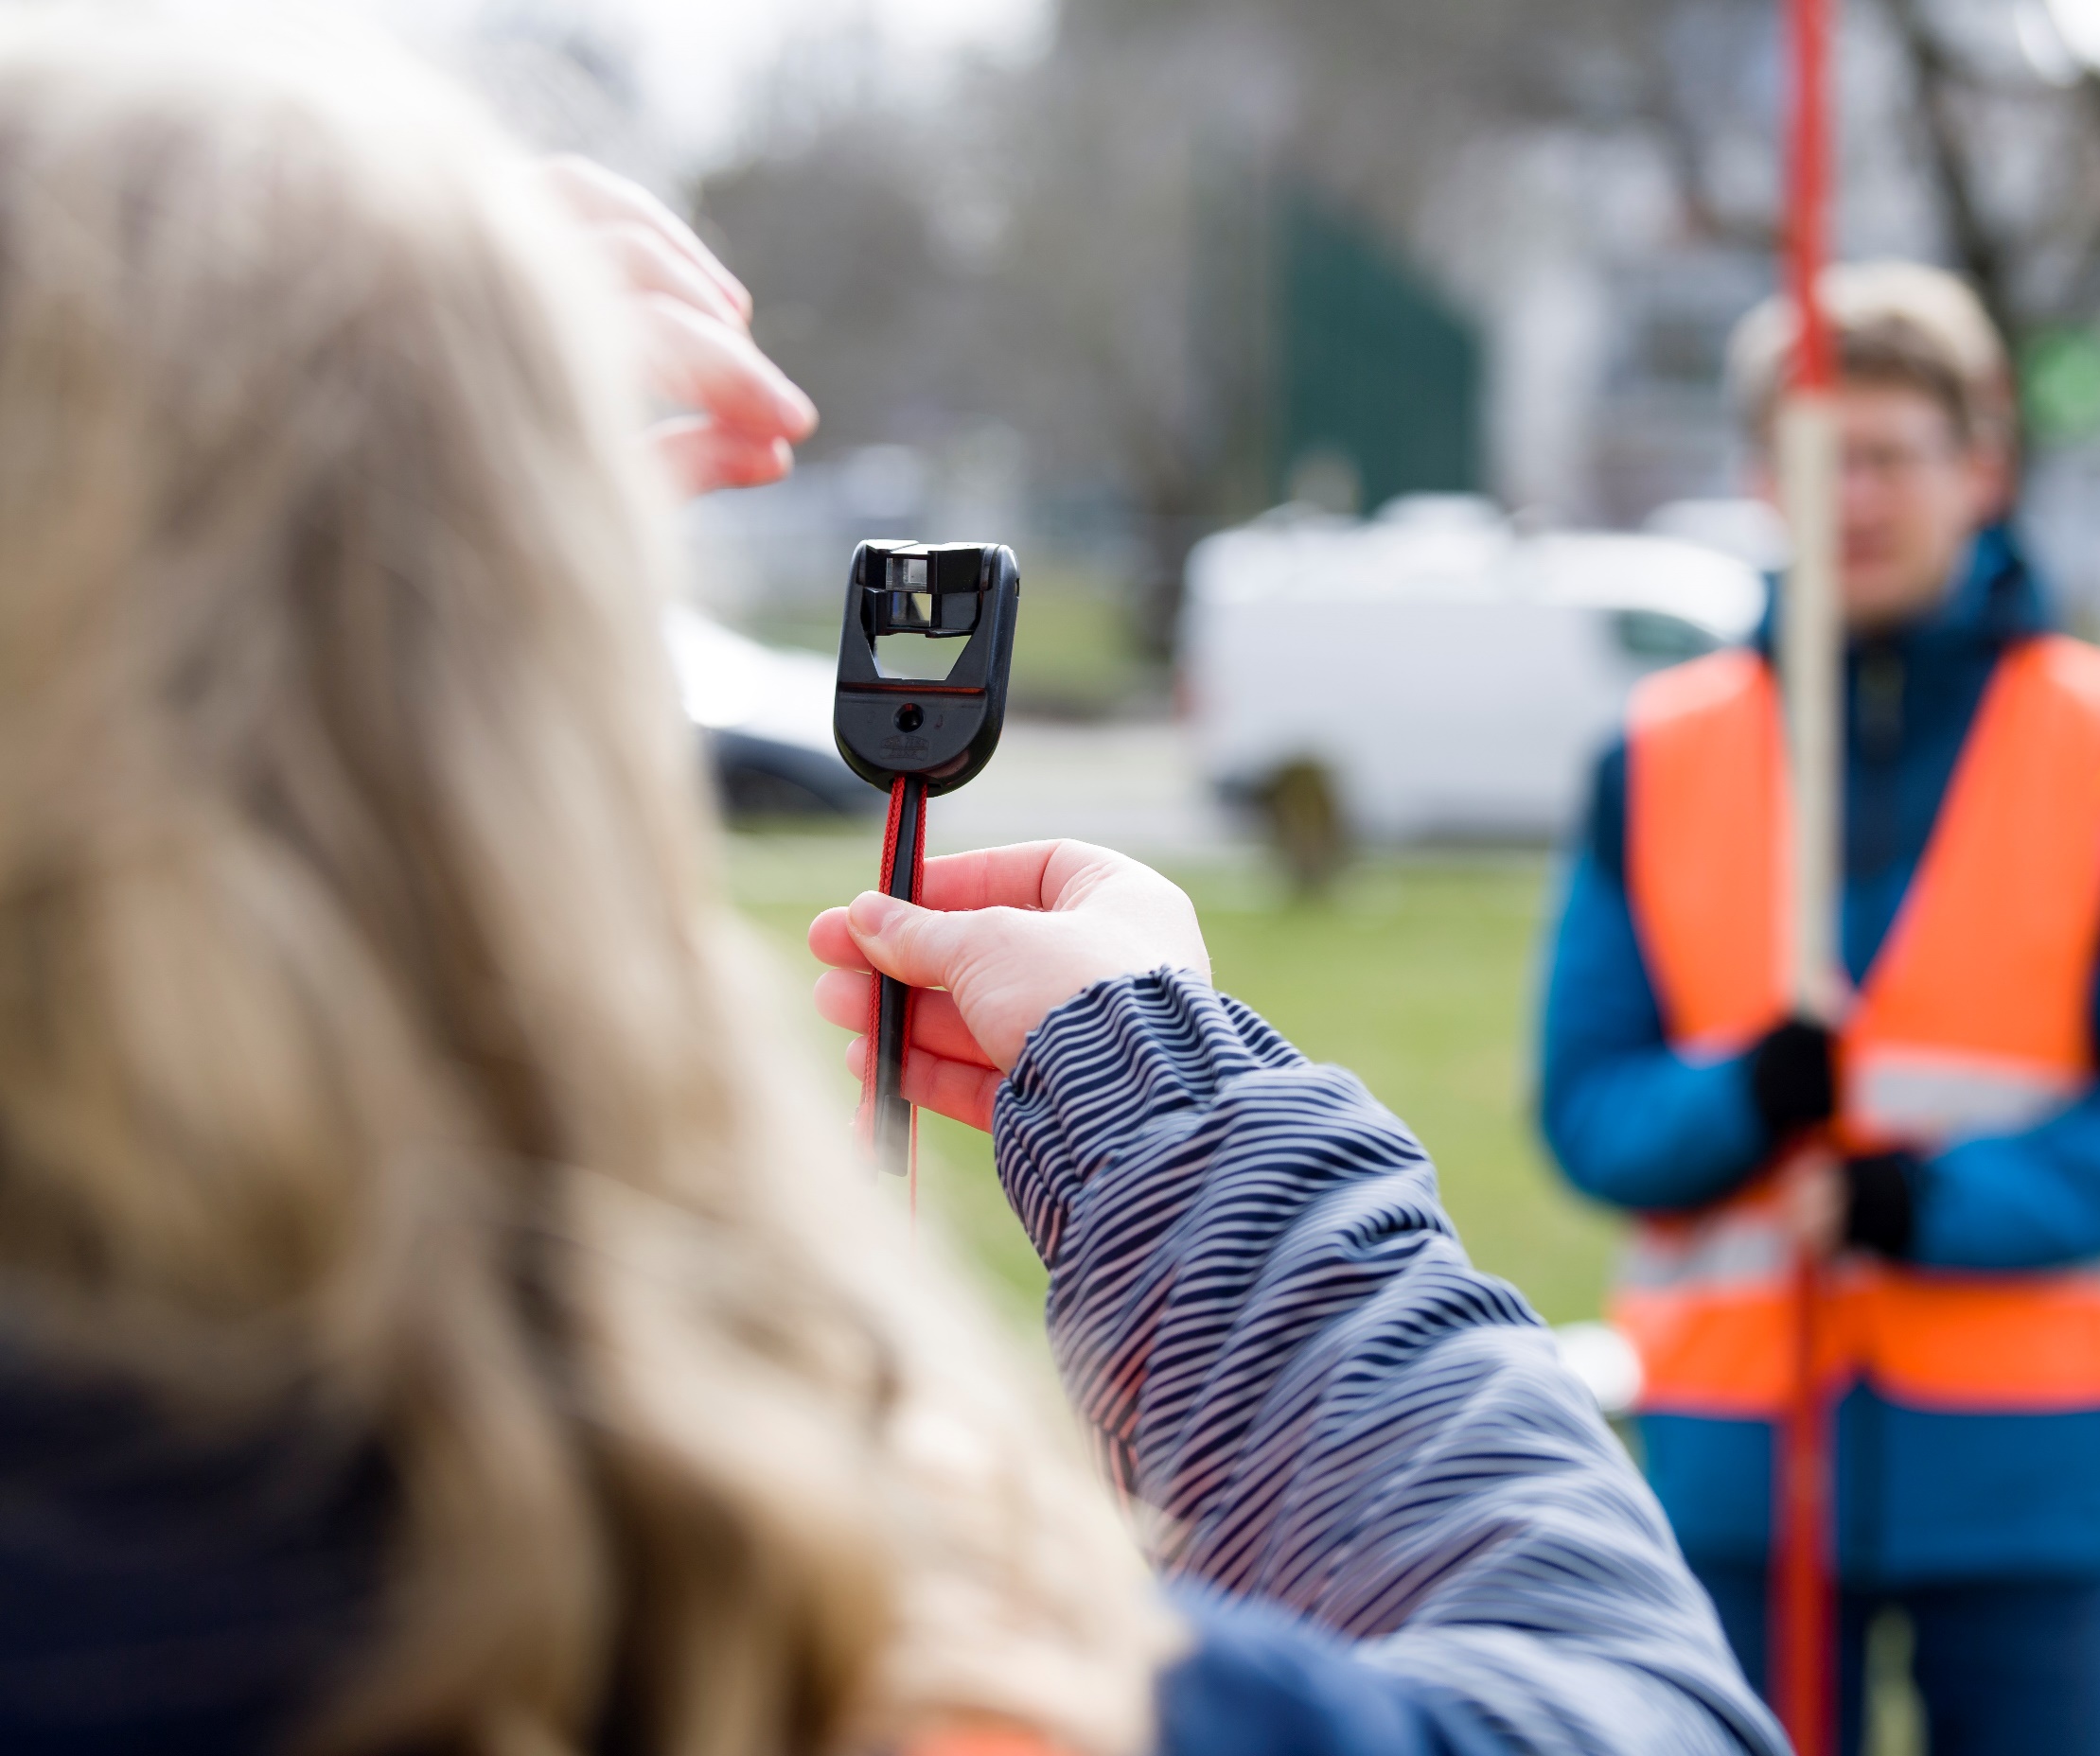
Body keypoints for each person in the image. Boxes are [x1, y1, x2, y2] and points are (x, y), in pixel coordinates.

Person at [0, 20, 1782, 1756]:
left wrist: (250, 356)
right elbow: (1619, 1706)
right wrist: (1180, 1120)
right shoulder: (831, 1671)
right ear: (526, 751)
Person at [1538, 262, 2100, 1756]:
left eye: (1890, 456)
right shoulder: (1654, 756)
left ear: (1980, 465)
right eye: (1816, 458)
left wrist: (1933, 1205)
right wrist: (1746, 1100)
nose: (1852, 496)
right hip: (1737, 1464)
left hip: (2036, 1463)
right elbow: (1589, 1107)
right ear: (1756, 479)